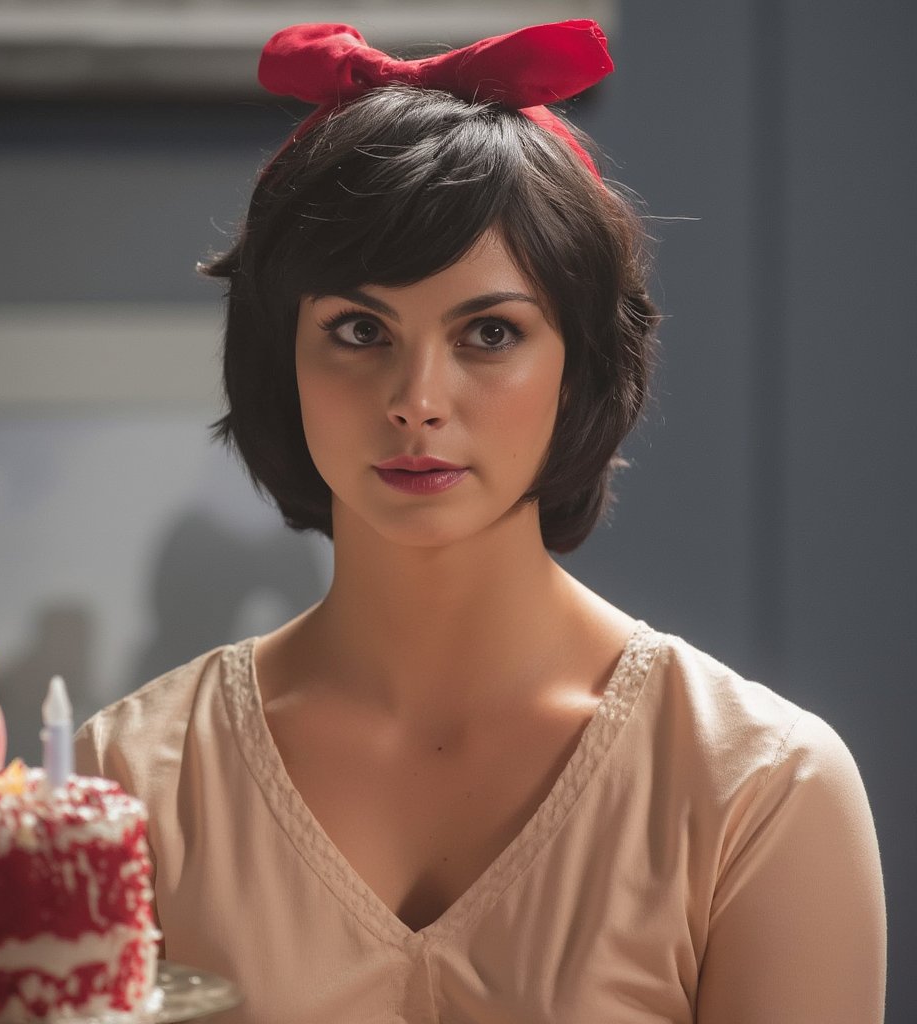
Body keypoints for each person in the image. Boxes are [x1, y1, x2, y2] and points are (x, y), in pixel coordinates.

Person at [74, 20, 886, 1023]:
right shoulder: (127, 782)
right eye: (358, 330)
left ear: (582, 364)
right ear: (278, 361)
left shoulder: (761, 789)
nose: (417, 397)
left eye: (489, 332)